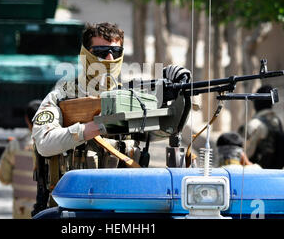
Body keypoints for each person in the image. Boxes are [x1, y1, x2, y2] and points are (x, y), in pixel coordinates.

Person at [31, 22, 191, 208]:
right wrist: (91, 129)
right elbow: (44, 143)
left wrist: (180, 94)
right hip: (71, 204)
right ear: (86, 54)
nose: (109, 58)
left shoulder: (131, 97)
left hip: (124, 204)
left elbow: (162, 131)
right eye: (100, 51)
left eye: (115, 52)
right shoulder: (62, 95)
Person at [0, 100, 40, 219]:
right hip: (49, 208)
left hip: (22, 209)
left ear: (27, 119)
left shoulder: (15, 146)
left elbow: (4, 178)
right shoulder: (57, 144)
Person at [238, 85, 284, 169]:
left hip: (253, 173)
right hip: (273, 173)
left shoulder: (254, 125)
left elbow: (241, 155)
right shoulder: (277, 122)